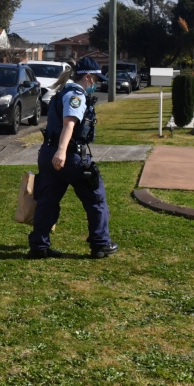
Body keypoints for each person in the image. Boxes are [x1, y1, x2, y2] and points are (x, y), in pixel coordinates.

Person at [28, 56, 118, 260]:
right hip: (69, 156)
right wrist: (62, 151)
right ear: (88, 77)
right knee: (96, 198)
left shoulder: (63, 92)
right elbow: (69, 123)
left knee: (47, 201)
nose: (96, 84)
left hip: (48, 154)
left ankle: (39, 246)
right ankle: (100, 244)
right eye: (96, 79)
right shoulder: (76, 95)